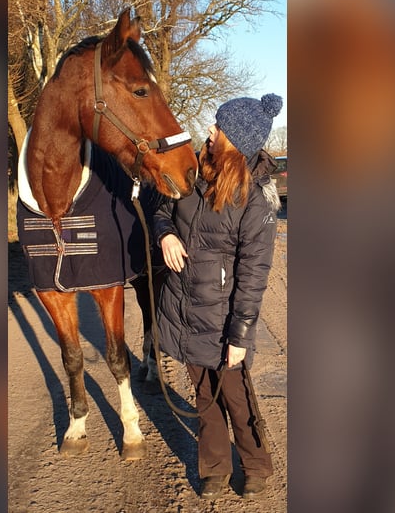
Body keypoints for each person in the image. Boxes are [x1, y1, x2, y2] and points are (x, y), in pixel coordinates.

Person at [153, 93, 282, 500]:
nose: (208, 131)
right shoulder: (191, 172)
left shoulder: (257, 200)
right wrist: (166, 233)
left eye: (217, 127)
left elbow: (254, 273)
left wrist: (241, 336)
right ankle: (213, 468)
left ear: (235, 141)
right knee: (204, 396)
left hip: (225, 317)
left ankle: (256, 465)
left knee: (236, 397)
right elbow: (159, 205)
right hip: (186, 307)